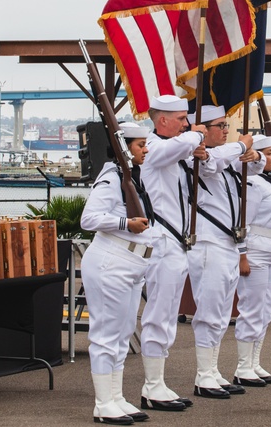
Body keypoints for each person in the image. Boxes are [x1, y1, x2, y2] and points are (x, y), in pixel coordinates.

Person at [80, 122, 157, 424]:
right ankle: (103, 403)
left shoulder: (134, 177)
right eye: (140, 145)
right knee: (106, 335)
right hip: (111, 261)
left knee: (123, 333)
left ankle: (116, 396)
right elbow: (89, 218)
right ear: (124, 148)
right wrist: (126, 224)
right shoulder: (112, 178)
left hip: (130, 264)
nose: (145, 150)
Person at [185, 106, 261, 399]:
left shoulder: (225, 159)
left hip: (228, 244)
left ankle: (213, 370)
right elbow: (213, 162)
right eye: (220, 125)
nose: (226, 129)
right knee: (209, 311)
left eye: (226, 124)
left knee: (220, 312)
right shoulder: (198, 157)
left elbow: (256, 164)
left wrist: (254, 154)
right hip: (208, 243)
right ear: (203, 130)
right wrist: (241, 145)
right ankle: (203, 375)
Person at [139, 95, 206, 412]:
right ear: (161, 120)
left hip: (177, 243)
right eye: (180, 118)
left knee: (166, 317)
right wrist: (197, 135)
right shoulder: (154, 148)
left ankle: (159, 383)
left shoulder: (174, 151)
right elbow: (173, 149)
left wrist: (196, 149)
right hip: (163, 242)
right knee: (159, 316)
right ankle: (152, 386)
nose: (186, 123)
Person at [233, 135, 271, 385]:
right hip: (256, 251)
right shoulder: (251, 183)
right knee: (252, 308)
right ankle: (242, 367)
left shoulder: (270, 183)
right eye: (268, 153)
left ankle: (254, 362)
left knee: (266, 309)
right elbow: (242, 222)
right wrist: (242, 256)